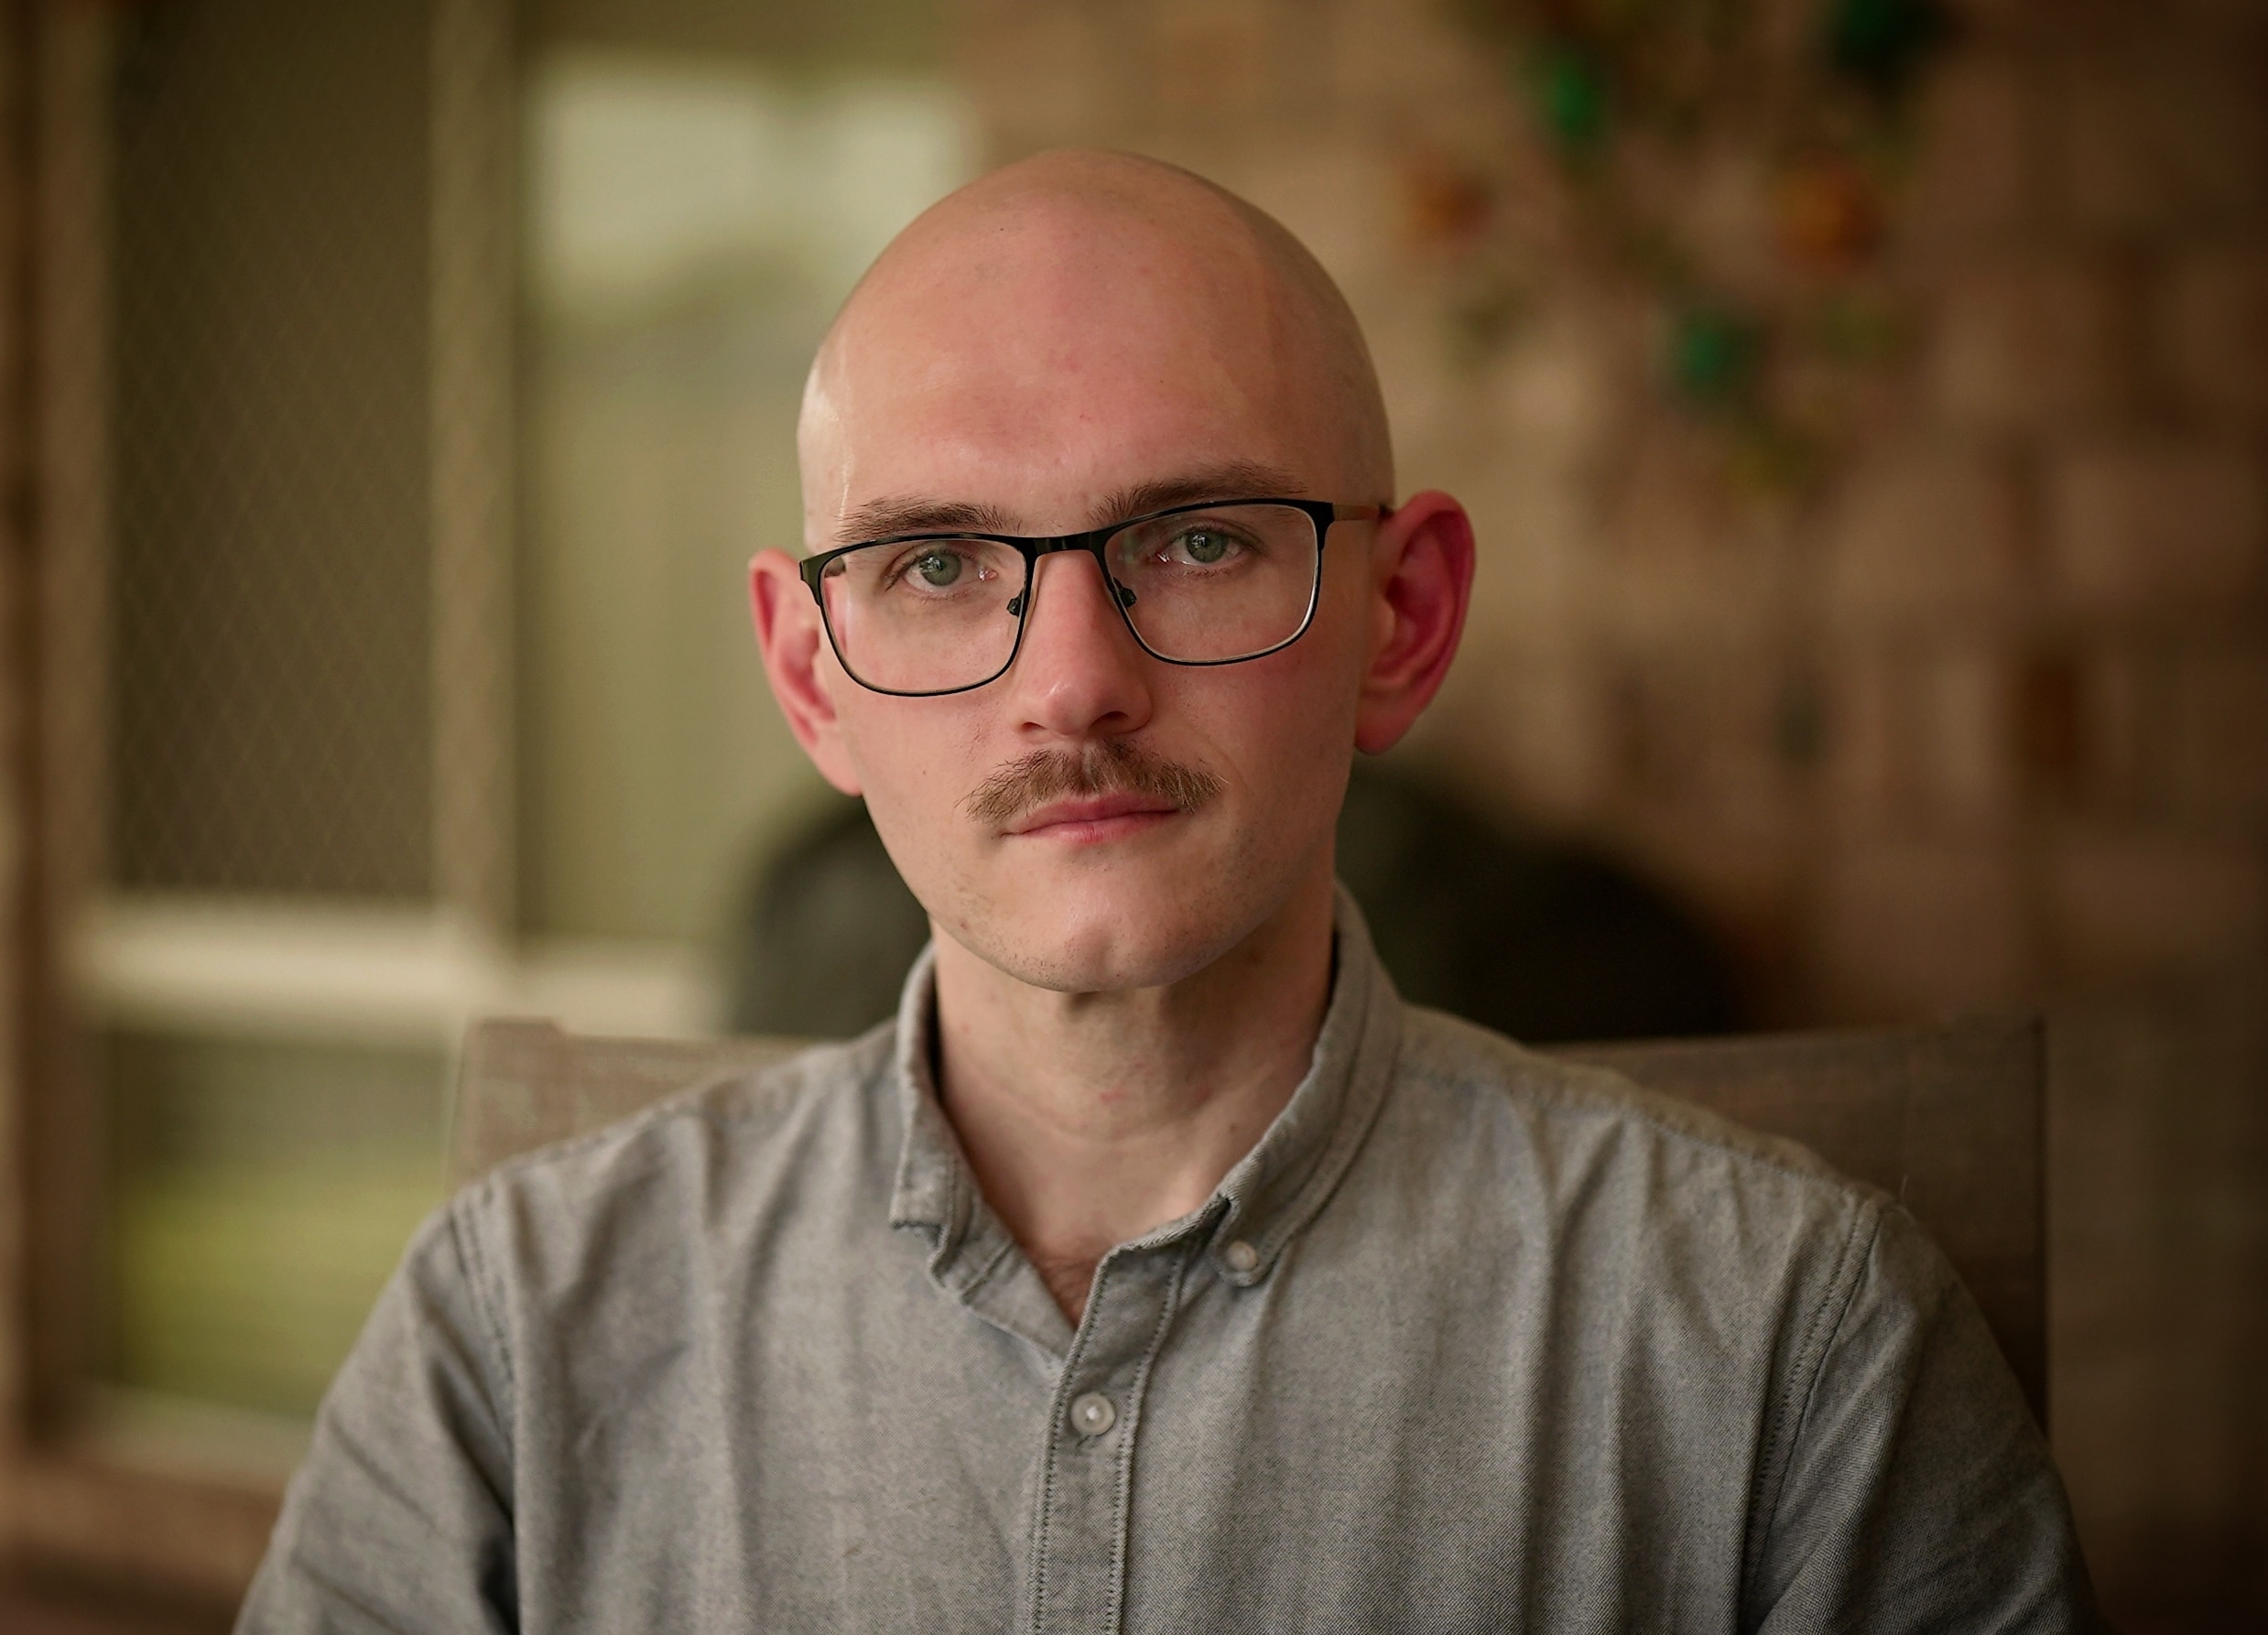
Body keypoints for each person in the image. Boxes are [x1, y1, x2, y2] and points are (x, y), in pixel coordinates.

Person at [237, 151, 2099, 1631]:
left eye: (1198, 540)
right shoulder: (509, 1329)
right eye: (937, 564)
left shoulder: (1793, 1344)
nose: (1069, 681)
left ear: (1401, 619)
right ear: (810, 677)